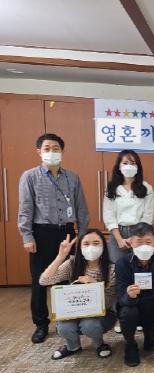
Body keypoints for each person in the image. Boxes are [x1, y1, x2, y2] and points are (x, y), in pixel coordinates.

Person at [18, 133, 89, 344]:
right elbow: (25, 209)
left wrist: (82, 235)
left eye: (56, 148)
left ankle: (67, 319)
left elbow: (81, 208)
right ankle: (41, 324)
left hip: (67, 232)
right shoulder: (30, 176)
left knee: (69, 277)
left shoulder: (72, 177)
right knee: (40, 280)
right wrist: (27, 236)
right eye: (47, 148)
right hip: (41, 233)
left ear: (62, 151)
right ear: (38, 151)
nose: (51, 152)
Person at [39, 229, 116, 360]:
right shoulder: (72, 264)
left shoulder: (111, 269)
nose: (91, 247)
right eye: (86, 244)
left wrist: (94, 285)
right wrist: (61, 256)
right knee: (64, 327)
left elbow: (108, 302)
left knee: (89, 325)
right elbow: (44, 280)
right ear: (80, 248)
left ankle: (99, 344)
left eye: (96, 243)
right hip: (73, 311)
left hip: (101, 313)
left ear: (104, 246)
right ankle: (72, 346)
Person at [115, 222, 154, 367]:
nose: (144, 246)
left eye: (148, 242)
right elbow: (120, 297)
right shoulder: (122, 263)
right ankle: (130, 344)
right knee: (127, 312)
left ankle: (149, 335)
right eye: (139, 242)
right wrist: (129, 296)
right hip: (133, 308)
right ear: (131, 243)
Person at [103, 149, 154, 264]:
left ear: (138, 167)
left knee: (139, 264)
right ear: (119, 166)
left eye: (133, 163)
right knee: (117, 265)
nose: (129, 166)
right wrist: (119, 239)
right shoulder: (112, 188)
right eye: (125, 163)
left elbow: (148, 216)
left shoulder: (147, 188)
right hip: (117, 233)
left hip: (140, 233)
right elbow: (109, 215)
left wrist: (135, 237)